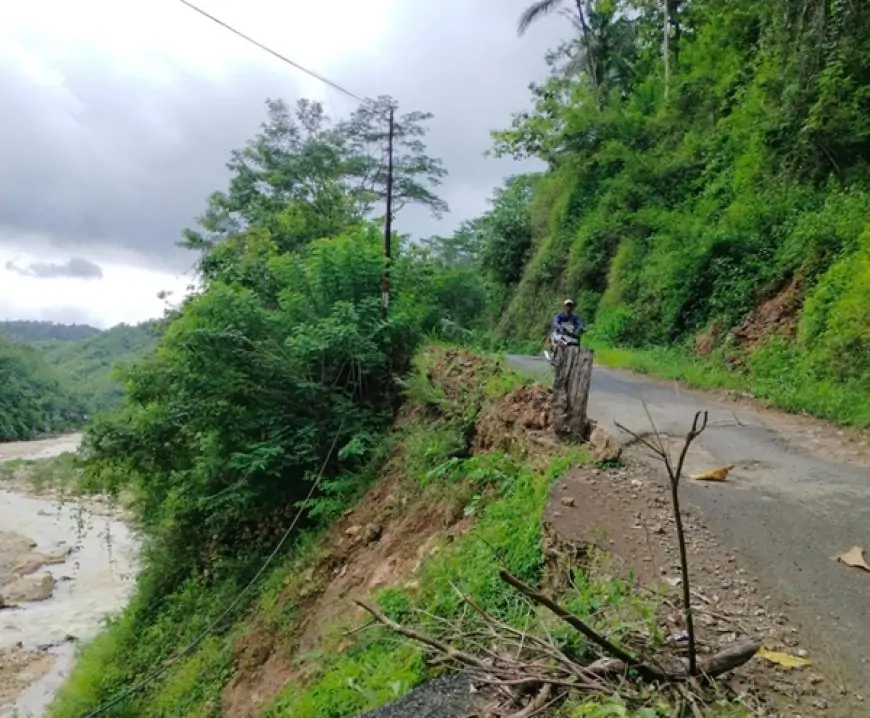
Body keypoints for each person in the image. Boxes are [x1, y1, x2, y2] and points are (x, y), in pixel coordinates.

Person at [548, 299, 584, 363]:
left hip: (571, 335)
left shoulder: (575, 317)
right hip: (560, 334)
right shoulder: (560, 316)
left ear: (573, 307)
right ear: (564, 307)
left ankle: (576, 359)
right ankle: (554, 357)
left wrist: (579, 329)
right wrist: (559, 327)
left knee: (577, 344)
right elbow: (555, 322)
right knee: (559, 343)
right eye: (567, 305)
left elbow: (580, 324)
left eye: (570, 305)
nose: (569, 307)